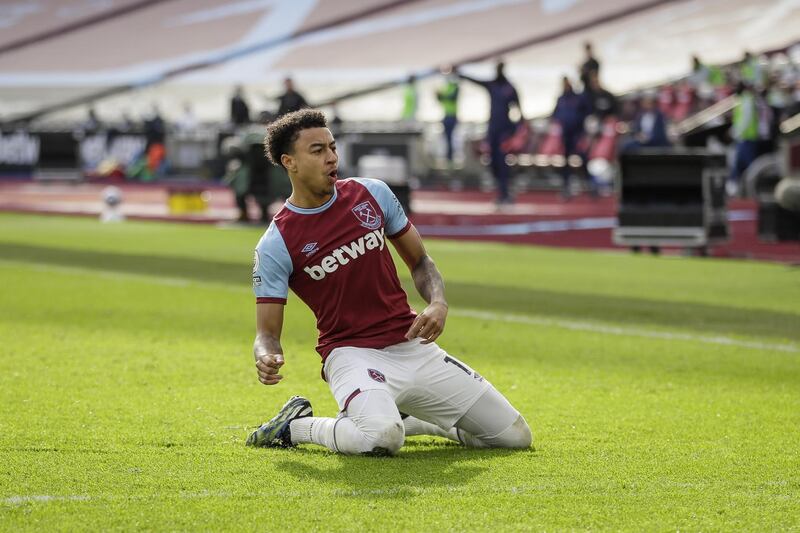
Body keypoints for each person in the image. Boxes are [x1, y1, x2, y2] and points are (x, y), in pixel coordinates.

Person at [247, 109, 532, 456]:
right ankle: (294, 427)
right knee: (381, 437)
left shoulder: (372, 194)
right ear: (289, 162)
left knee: (514, 436)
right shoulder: (276, 242)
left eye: (332, 147)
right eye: (318, 150)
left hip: (411, 342)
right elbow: (267, 334)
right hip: (351, 354)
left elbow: (421, 262)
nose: (332, 157)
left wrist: (438, 302)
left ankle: (420, 421)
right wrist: (267, 355)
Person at [459, 61, 522, 204]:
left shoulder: (509, 88)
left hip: (503, 131)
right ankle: (502, 190)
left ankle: (504, 193)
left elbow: (519, 110)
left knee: (502, 162)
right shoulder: (492, 85)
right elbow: (476, 81)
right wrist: (460, 74)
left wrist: (514, 131)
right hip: (492, 130)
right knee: (492, 162)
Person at [552, 76, 590, 199]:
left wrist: (582, 128)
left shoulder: (578, 98)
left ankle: (590, 184)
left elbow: (587, 112)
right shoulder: (561, 99)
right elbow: (556, 114)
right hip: (566, 134)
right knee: (566, 161)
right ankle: (566, 185)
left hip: (577, 133)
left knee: (582, 157)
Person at [436, 66, 459, 163]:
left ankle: (450, 157)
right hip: (446, 115)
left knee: (451, 138)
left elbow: (451, 98)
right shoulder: (447, 87)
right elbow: (442, 99)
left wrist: (441, 95)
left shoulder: (455, 87)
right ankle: (448, 157)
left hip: (452, 116)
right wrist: (438, 95)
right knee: (447, 138)